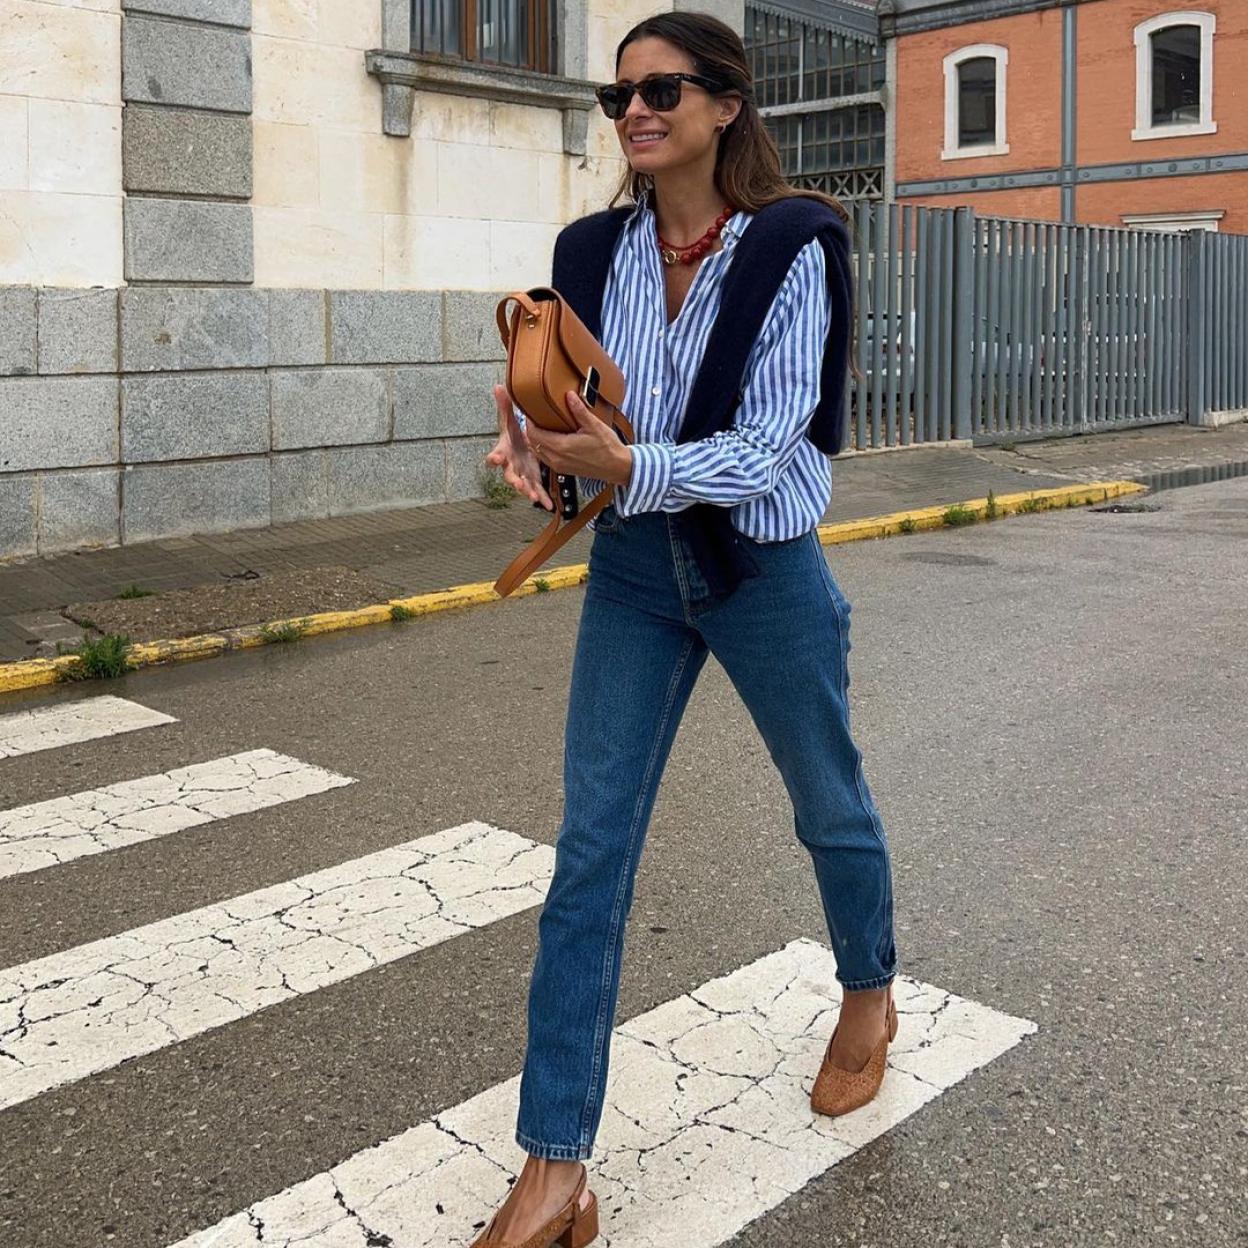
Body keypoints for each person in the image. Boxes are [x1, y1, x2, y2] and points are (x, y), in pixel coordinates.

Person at [476, 11, 898, 1246]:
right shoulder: (588, 248)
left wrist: (626, 460)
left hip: (764, 569)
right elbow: (566, 391)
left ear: (726, 104)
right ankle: (556, 1173)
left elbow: (771, 449)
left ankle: (869, 992)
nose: (637, 113)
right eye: (620, 99)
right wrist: (537, 451)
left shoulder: (793, 247)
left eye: (662, 90)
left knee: (830, 801)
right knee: (588, 857)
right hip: (633, 576)